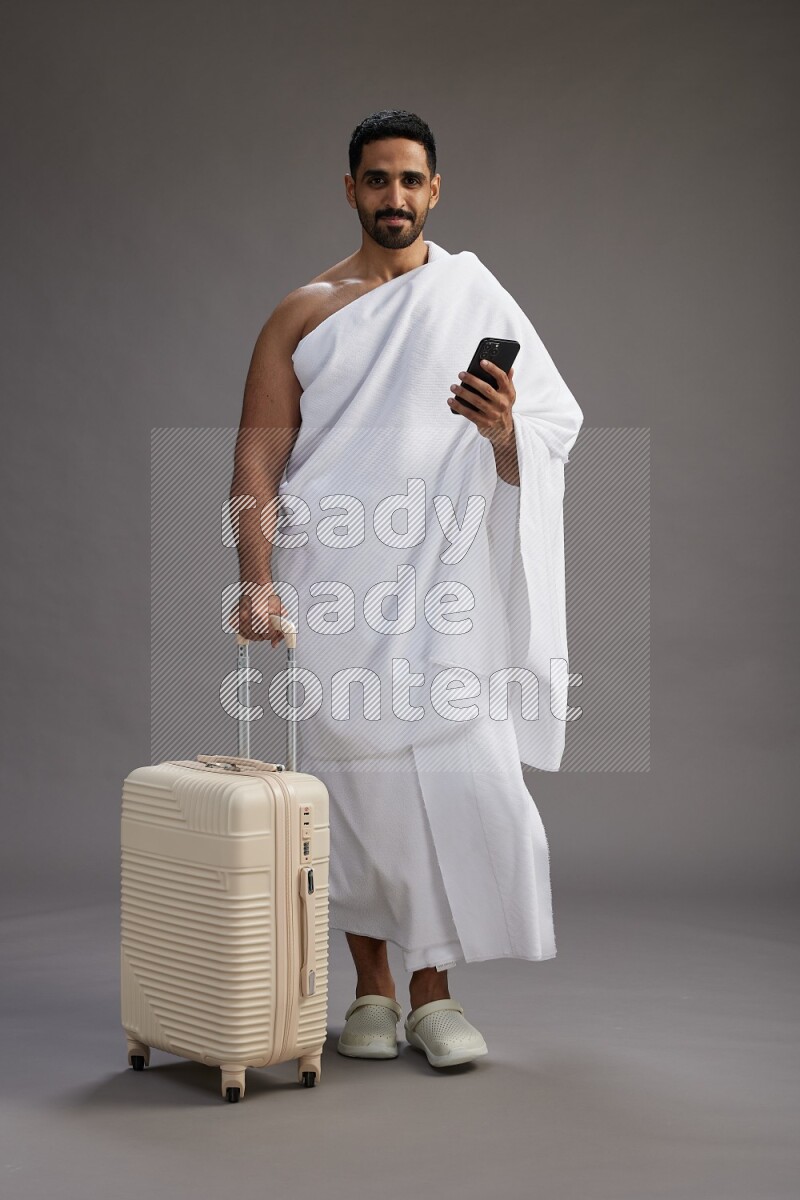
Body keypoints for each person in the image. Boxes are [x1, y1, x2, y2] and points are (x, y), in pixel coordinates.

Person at [228, 110, 583, 1070]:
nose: (395, 197)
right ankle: (374, 991)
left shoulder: (475, 296)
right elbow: (257, 464)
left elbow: (548, 434)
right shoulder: (303, 312)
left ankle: (436, 994)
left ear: (435, 190)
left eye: (411, 180)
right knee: (357, 794)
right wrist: (255, 583)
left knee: (467, 778)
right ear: (350, 189)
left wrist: (504, 431)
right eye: (377, 179)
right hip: (334, 580)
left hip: (446, 580)